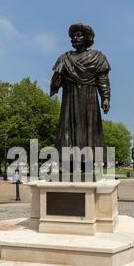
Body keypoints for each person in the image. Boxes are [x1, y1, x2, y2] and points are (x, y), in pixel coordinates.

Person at [50, 23, 111, 162]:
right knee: (67, 129)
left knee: (89, 129)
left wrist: (105, 97)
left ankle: (87, 161)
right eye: (73, 36)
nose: (74, 38)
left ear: (87, 37)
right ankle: (68, 161)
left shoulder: (97, 57)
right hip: (69, 99)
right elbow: (54, 86)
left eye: (78, 35)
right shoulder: (64, 58)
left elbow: (103, 80)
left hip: (89, 99)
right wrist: (58, 73)